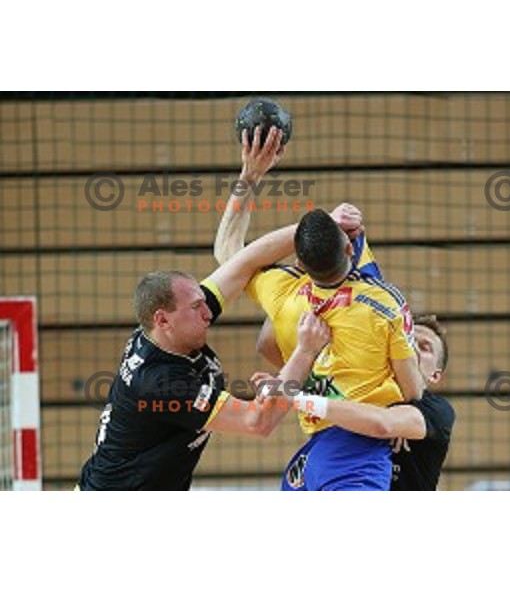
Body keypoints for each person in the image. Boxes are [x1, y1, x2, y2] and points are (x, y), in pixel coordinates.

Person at [78, 127, 329, 490]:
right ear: (162, 319)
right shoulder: (162, 382)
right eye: (196, 307)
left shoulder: (168, 330)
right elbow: (258, 422)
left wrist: (253, 178)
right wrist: (305, 350)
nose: (208, 311)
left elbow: (238, 261)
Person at [214, 128, 425, 490]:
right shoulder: (385, 303)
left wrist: (249, 175)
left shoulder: (284, 294)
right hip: (361, 445)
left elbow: (228, 252)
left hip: (314, 448)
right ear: (348, 250)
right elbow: (413, 390)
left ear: (299, 262)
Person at [256, 314, 454, 491]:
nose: (413, 350)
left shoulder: (436, 409)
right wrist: (291, 289)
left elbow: (382, 424)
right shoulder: (352, 388)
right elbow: (267, 345)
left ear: (435, 376)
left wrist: (295, 396)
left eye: (425, 347)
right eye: (409, 340)